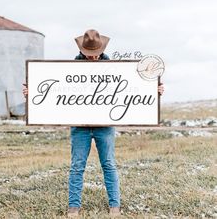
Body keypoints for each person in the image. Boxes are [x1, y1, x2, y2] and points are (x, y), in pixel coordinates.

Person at [23, 29, 164, 218]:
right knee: (77, 166)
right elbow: (55, 91)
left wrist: (154, 91)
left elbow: (132, 89)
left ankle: (115, 206)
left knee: (109, 164)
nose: (93, 56)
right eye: (90, 54)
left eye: (96, 53)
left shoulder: (115, 68)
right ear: (83, 50)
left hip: (104, 125)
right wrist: (31, 94)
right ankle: (74, 207)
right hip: (79, 125)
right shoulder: (69, 69)